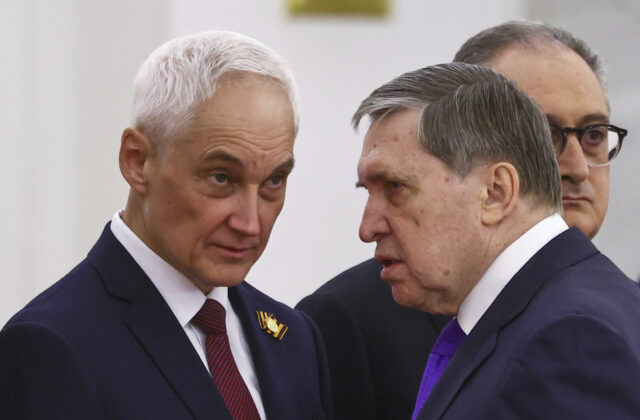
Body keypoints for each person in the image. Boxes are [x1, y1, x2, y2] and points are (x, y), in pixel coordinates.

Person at [296, 21, 630, 419]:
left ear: (496, 191)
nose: (367, 228)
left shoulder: (571, 337)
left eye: (396, 187)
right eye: (546, 133)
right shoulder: (534, 315)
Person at [0, 31, 331, 420]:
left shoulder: (294, 338)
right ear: (137, 161)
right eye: (221, 178)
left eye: (274, 181)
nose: (250, 223)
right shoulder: (52, 345)